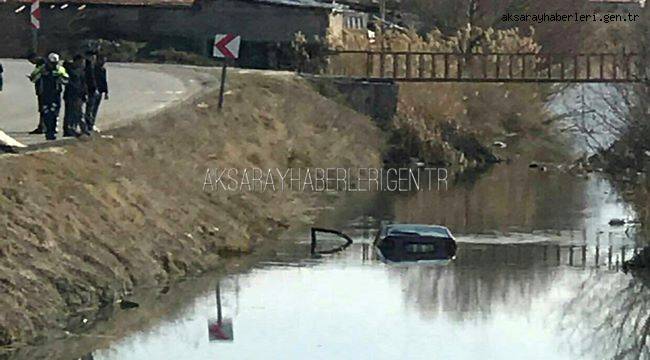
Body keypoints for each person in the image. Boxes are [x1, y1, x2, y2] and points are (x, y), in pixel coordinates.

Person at [31, 53, 68, 140]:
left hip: (56, 94)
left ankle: (53, 130)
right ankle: (48, 131)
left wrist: (60, 78)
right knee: (46, 113)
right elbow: (33, 78)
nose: (53, 65)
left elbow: (66, 80)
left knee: (54, 112)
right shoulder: (41, 68)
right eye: (51, 63)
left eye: (55, 63)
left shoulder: (60, 69)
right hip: (45, 94)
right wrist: (40, 75)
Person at [63, 55, 87, 137]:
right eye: (80, 62)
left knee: (77, 113)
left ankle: (73, 128)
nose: (81, 63)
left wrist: (84, 93)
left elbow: (83, 83)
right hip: (70, 94)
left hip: (79, 94)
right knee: (70, 113)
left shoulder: (81, 70)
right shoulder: (69, 69)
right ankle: (68, 129)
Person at [27, 53, 46, 134]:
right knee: (42, 109)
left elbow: (37, 76)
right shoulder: (40, 65)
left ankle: (43, 126)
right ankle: (42, 126)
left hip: (44, 90)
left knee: (43, 109)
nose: (32, 63)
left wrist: (32, 78)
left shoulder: (42, 65)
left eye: (32, 61)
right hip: (41, 90)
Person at [84, 50, 99, 133]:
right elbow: (90, 79)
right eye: (92, 56)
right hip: (89, 90)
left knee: (92, 108)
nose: (94, 58)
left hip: (92, 89)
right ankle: (89, 125)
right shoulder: (87, 66)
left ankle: (90, 124)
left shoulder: (93, 65)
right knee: (89, 108)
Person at [92, 55, 108, 126]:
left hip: (100, 91)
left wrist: (106, 92)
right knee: (92, 108)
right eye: (102, 60)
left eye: (104, 61)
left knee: (96, 108)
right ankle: (89, 124)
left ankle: (92, 123)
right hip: (94, 90)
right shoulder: (94, 69)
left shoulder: (103, 69)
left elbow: (104, 81)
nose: (103, 62)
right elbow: (92, 80)